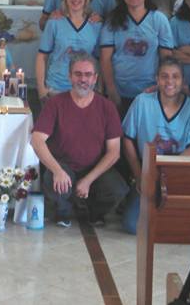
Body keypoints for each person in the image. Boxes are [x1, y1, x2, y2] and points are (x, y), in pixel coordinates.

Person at [31, 52, 128, 228]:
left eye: (88, 74)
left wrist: (88, 179)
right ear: (70, 76)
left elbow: (114, 152)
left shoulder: (107, 107)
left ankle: (94, 212)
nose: (83, 79)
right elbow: (37, 140)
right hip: (64, 166)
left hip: (94, 168)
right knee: (54, 181)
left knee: (117, 189)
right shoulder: (55, 103)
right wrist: (57, 171)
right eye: (78, 74)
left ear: (95, 78)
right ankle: (63, 211)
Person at [121, 57, 190, 234]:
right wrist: (139, 175)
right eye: (164, 76)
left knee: (183, 226)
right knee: (132, 225)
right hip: (148, 171)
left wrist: (167, 175)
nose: (169, 81)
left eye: (175, 76)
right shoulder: (142, 101)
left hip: (177, 173)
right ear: (157, 79)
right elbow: (127, 139)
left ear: (183, 81)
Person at [100, 0, 174, 115]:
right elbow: (105, 59)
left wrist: (160, 87)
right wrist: (111, 90)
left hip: (150, 91)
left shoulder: (159, 19)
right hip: (120, 91)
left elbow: (166, 59)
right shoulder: (113, 20)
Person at [36, 0, 102, 100]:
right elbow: (42, 57)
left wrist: (99, 89)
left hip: (85, 91)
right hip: (56, 88)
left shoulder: (96, 26)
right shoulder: (54, 23)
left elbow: (99, 60)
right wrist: (42, 90)